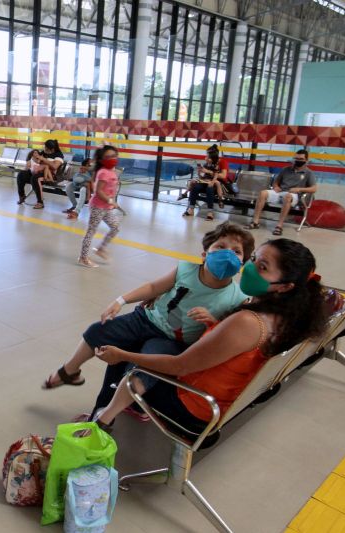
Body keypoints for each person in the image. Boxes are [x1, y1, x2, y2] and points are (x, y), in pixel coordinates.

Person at [92, 238, 327, 433]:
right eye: (253, 258)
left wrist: (121, 354)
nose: (250, 267)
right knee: (151, 343)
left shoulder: (247, 321)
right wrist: (216, 325)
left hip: (195, 403)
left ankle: (98, 423)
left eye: (263, 267)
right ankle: (121, 410)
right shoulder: (286, 315)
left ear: (284, 286)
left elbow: (180, 366)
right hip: (222, 397)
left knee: (129, 347)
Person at [43, 222, 254, 422]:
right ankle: (70, 371)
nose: (228, 254)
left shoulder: (236, 298)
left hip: (173, 341)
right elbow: (154, 288)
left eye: (236, 251)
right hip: (145, 319)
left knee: (142, 372)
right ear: (204, 253)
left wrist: (213, 321)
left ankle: (105, 417)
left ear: (242, 263)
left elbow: (224, 333)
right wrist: (120, 300)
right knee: (98, 331)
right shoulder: (186, 269)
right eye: (221, 246)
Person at [245, 150, 317, 236]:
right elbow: (276, 182)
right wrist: (276, 187)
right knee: (263, 193)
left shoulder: (309, 173)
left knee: (288, 196)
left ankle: (279, 226)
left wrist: (299, 189)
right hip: (281, 192)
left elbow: (314, 188)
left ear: (306, 160)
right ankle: (255, 222)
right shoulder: (286, 169)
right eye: (296, 158)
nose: (298, 160)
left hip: (295, 196)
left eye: (301, 159)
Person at [76, 147, 121, 268]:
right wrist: (111, 200)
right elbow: (98, 191)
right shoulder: (103, 172)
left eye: (114, 155)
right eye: (108, 157)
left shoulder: (111, 170)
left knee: (115, 227)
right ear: (102, 160)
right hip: (97, 207)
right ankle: (83, 257)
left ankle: (100, 249)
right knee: (91, 231)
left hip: (106, 207)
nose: (112, 159)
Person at [183, 144, 229, 220]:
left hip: (218, 183)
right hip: (206, 181)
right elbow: (203, 176)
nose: (206, 158)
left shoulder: (221, 163)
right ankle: (191, 209)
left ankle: (210, 212)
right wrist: (200, 173)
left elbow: (223, 176)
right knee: (195, 186)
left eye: (208, 156)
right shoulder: (207, 164)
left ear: (213, 157)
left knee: (209, 188)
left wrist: (208, 172)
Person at [17, 140, 64, 209]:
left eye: (46, 148)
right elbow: (36, 160)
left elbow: (55, 166)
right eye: (44, 147)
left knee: (35, 178)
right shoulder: (43, 152)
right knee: (21, 174)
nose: (44, 149)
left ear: (52, 149)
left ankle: (40, 202)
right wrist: (32, 159)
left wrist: (43, 159)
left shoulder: (58, 155)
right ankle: (22, 196)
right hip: (38, 171)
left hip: (49, 175)